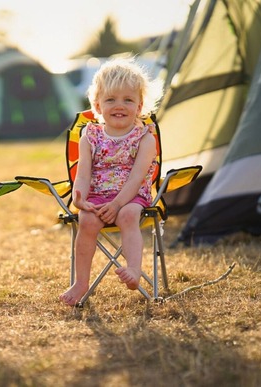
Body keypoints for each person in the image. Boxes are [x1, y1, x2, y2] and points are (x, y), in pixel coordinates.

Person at [59, 58, 164, 307]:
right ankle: (81, 282)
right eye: (111, 99)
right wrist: (79, 196)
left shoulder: (145, 138)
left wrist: (117, 204)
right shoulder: (90, 135)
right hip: (97, 195)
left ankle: (134, 270)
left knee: (128, 216)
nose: (120, 106)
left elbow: (139, 176)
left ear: (139, 106)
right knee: (86, 220)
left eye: (128, 100)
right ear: (97, 105)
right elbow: (83, 172)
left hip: (131, 196)